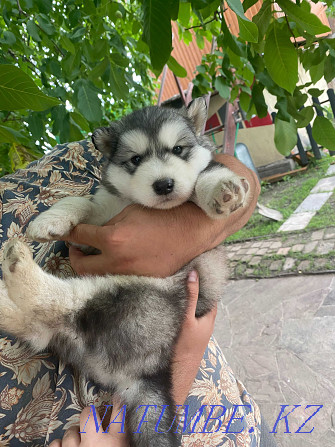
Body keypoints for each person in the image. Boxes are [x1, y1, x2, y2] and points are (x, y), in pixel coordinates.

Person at [0, 139, 275, 446]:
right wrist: (181, 363)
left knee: (113, 306)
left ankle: (49, 311)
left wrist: (185, 231)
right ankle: (42, 319)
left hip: (228, 414)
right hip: (138, 374)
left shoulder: (87, 154)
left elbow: (236, 176)